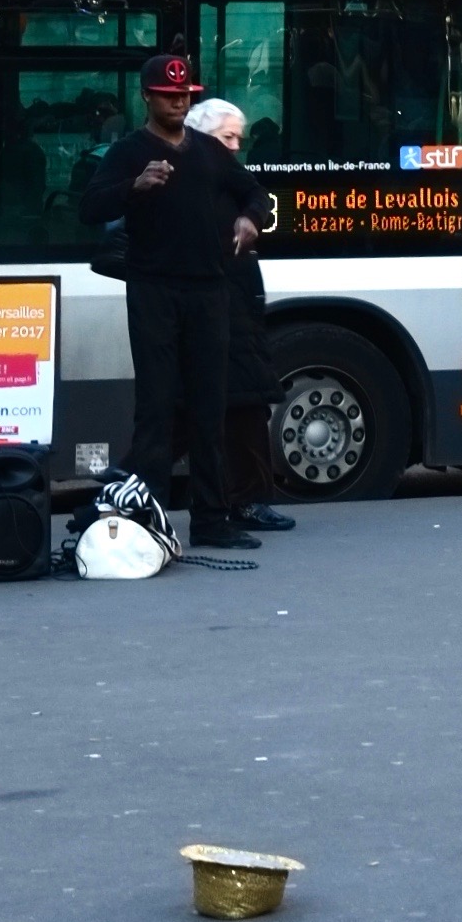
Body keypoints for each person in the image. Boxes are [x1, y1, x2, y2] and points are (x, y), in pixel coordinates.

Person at [79, 52, 269, 550]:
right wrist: (134, 186)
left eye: (185, 94)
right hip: (154, 290)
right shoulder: (128, 150)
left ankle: (211, 519)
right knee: (157, 408)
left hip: (209, 292)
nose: (179, 101)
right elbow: (90, 206)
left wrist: (251, 220)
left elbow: (257, 195)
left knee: (210, 408)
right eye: (169, 95)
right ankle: (149, 520)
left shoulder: (209, 150)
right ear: (147, 97)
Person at [182, 97, 293, 534]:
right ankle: (241, 501)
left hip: (236, 309)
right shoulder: (188, 177)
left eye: (238, 139)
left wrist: (251, 217)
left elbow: (260, 200)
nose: (234, 147)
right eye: (227, 137)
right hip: (212, 309)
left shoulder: (226, 176)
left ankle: (239, 499)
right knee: (227, 411)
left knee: (240, 409)